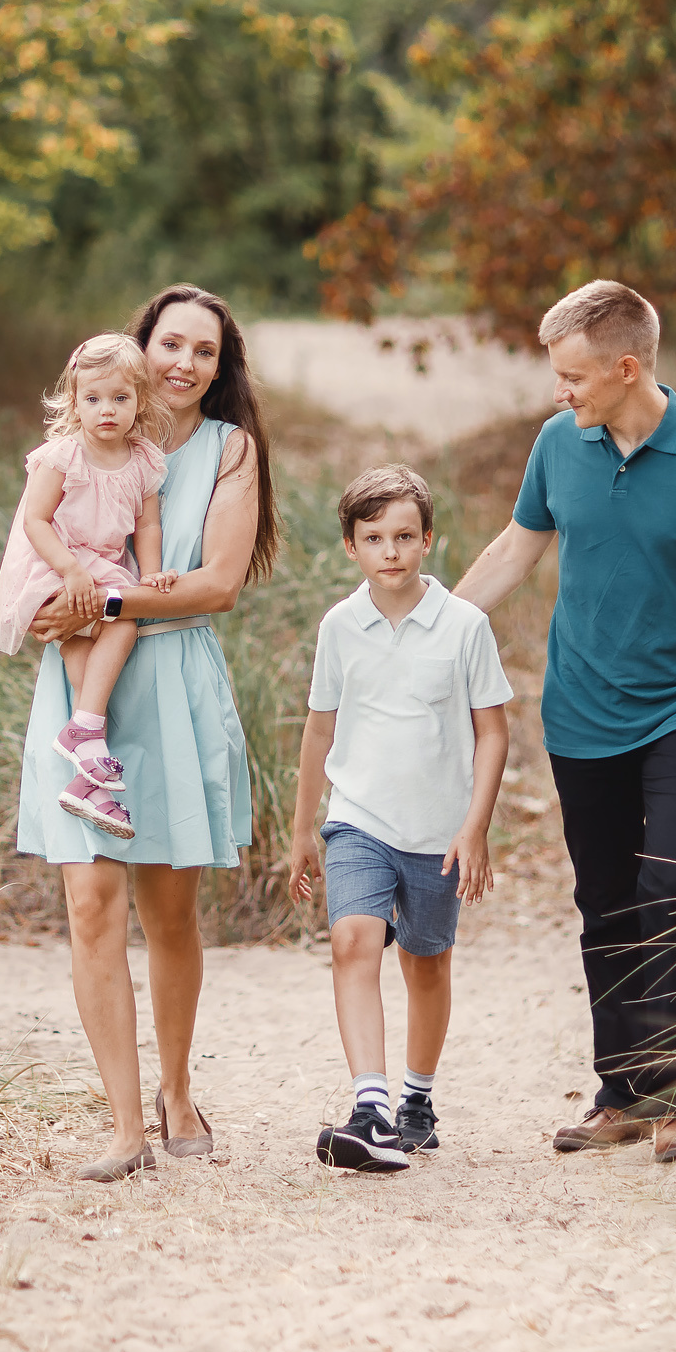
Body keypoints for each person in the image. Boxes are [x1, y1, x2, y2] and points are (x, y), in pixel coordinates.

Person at [454, 279, 676, 1166]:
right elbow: (515, 551)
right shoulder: (559, 446)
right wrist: (432, 631)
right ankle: (624, 1094)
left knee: (671, 892)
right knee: (605, 905)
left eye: (571, 375)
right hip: (579, 714)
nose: (557, 391)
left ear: (626, 367)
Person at [13, 285, 279, 1182]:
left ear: (220, 365)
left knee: (169, 912)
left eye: (204, 351)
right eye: (171, 342)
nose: (183, 364)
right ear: (141, 346)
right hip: (84, 674)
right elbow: (37, 530)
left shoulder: (228, 448)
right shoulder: (85, 434)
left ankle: (176, 1089)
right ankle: (124, 1126)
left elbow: (216, 584)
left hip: (168, 681)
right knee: (89, 902)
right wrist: (54, 599)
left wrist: (103, 596)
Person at [285, 464, 511, 1171]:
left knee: (426, 961)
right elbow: (319, 731)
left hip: (439, 829)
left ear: (428, 539)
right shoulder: (340, 627)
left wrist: (474, 825)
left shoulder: (465, 626)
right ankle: (370, 1104)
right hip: (358, 818)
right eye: (374, 536)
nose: (391, 550)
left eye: (405, 535)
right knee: (354, 939)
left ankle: (417, 1096)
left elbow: (493, 731)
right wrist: (302, 828)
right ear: (351, 546)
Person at [0, 333, 181, 839]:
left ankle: (84, 764)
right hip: (55, 563)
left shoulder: (143, 461)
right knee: (100, 627)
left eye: (120, 398)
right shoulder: (62, 456)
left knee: (110, 628)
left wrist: (152, 570)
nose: (107, 410)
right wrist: (70, 570)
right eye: (92, 399)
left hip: (103, 568)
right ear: (74, 401)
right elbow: (35, 520)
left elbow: (147, 526)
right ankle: (87, 731)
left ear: (140, 402)